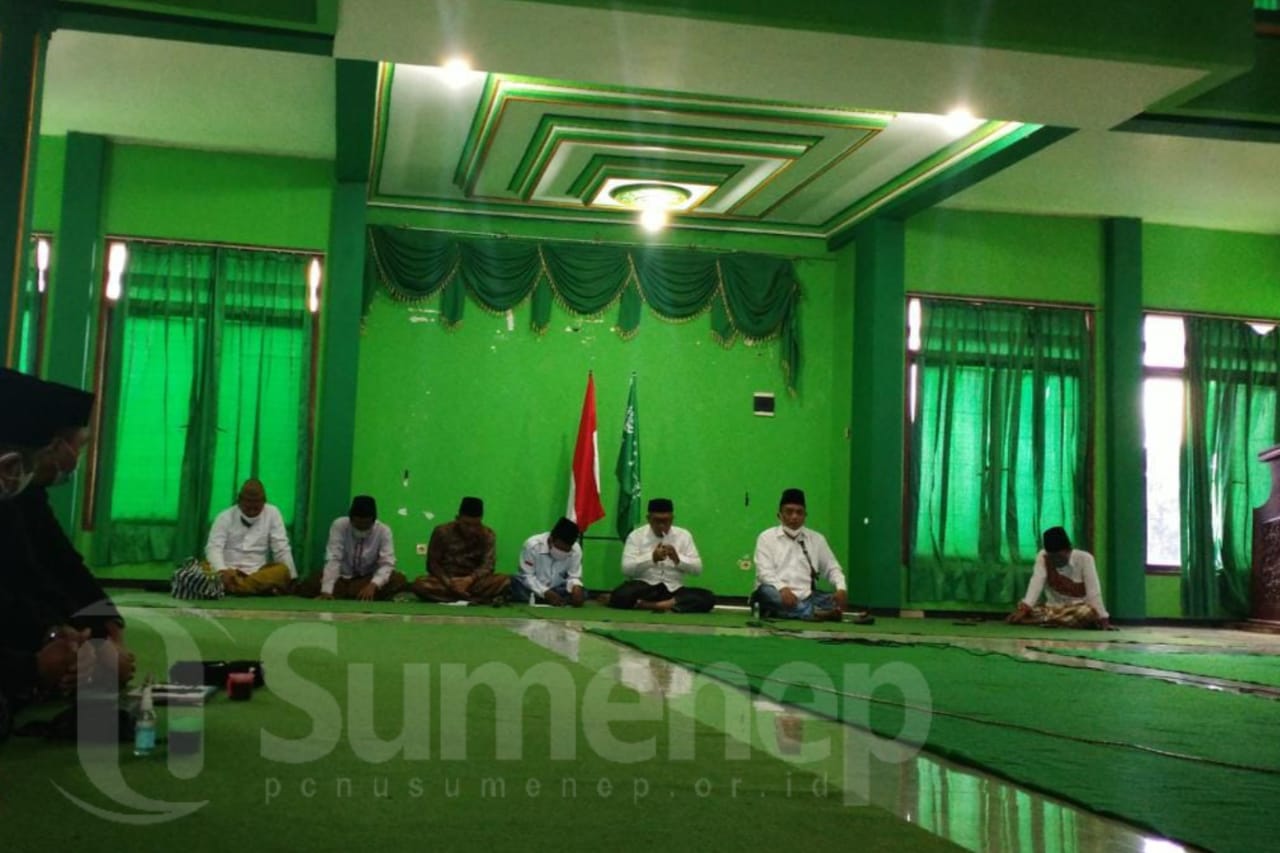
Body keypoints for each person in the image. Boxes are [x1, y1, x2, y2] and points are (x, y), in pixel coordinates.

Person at [751, 488, 849, 621]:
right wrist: (782, 589)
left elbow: (832, 568)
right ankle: (812, 612)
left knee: (834, 600)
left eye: (799, 512)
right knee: (765, 593)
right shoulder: (766, 537)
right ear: (779, 515)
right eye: (789, 512)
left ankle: (798, 611)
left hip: (806, 596)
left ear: (805, 516)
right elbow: (764, 573)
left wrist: (841, 588)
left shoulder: (817, 539)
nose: (794, 516)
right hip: (776, 593)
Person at [607, 498, 714, 613]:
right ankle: (670, 605)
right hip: (645, 587)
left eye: (666, 521)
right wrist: (651, 558)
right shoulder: (636, 536)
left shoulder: (684, 536)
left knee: (708, 597)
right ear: (648, 519)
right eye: (657, 521)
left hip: (674, 588)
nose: (661, 525)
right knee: (621, 594)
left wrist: (677, 559)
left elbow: (697, 570)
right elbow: (626, 569)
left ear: (672, 519)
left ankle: (653, 605)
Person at [296, 495, 406, 601]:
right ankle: (353, 594)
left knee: (397, 579)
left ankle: (354, 593)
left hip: (367, 580)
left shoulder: (384, 531)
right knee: (311, 583)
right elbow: (333, 558)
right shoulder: (339, 525)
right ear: (351, 519)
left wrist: (373, 585)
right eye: (358, 524)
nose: (362, 527)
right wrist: (326, 590)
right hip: (341, 578)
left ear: (373, 521)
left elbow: (387, 563)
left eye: (366, 524)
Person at [1008, 526, 1112, 629]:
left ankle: (1044, 620)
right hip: (1052, 609)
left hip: (1077, 608)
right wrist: (1025, 608)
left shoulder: (1085, 559)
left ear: (1069, 550)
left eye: (1059, 557)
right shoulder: (1043, 556)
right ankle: (1054, 621)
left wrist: (1102, 617)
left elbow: (1094, 592)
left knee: (1087, 613)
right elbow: (1036, 582)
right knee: (1030, 609)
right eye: (1052, 558)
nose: (1056, 561)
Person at [205, 478, 297, 595]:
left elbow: (281, 549)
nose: (252, 512)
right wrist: (222, 571)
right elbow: (214, 549)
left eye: (256, 508)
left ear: (264, 502)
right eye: (248, 508)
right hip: (228, 571)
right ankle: (249, 588)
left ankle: (235, 588)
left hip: (258, 574)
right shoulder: (224, 517)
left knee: (282, 571)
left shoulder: (273, 513)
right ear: (239, 501)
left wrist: (291, 578)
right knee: (204, 567)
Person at [412, 496, 510, 604]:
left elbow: (488, 566)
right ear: (457, 519)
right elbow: (433, 564)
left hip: (474, 582)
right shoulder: (442, 532)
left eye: (476, 525)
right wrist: (450, 583)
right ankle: (472, 599)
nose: (471, 529)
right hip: (447, 581)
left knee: (504, 580)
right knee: (419, 584)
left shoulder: (488, 535)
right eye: (467, 524)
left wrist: (469, 580)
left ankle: (457, 597)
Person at [510, 517, 585, 607]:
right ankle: (548, 599)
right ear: (550, 540)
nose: (562, 552)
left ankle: (547, 599)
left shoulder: (575, 550)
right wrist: (544, 592)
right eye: (559, 548)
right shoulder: (533, 545)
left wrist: (576, 587)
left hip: (557, 588)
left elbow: (573, 576)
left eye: (566, 550)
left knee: (582, 592)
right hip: (532, 588)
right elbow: (526, 576)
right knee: (515, 583)